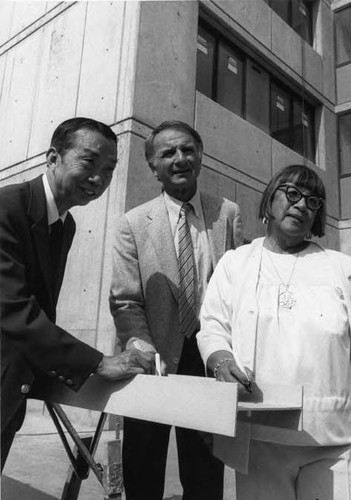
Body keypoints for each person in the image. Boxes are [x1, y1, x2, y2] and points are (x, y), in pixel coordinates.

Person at [197, 164, 351, 500]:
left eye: (313, 202)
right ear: (270, 199)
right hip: (261, 438)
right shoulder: (234, 263)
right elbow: (213, 326)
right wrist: (220, 359)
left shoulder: (341, 269)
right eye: (293, 194)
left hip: (337, 438)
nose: (302, 205)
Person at [0, 117, 155, 470]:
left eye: (109, 169)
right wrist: (97, 362)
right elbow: (13, 311)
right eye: (88, 162)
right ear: (53, 158)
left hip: (10, 390)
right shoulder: (6, 208)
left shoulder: (64, 224)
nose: (98, 179)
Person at [109, 120, 243, 500]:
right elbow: (125, 299)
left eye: (187, 150)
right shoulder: (132, 223)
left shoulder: (228, 214)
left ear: (200, 156)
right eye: (168, 153)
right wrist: (141, 347)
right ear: (153, 165)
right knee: (143, 471)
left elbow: (236, 291)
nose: (180, 158)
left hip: (207, 364)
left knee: (205, 475)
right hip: (151, 364)